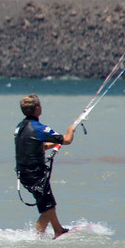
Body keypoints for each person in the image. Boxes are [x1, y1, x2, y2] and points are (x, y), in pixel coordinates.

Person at [14, 93, 76, 239]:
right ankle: (52, 233)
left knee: (48, 206)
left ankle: (51, 232)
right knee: (48, 206)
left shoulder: (19, 127)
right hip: (35, 174)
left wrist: (53, 144)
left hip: (23, 174)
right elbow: (67, 140)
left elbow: (38, 146)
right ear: (37, 109)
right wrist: (71, 129)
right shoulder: (39, 128)